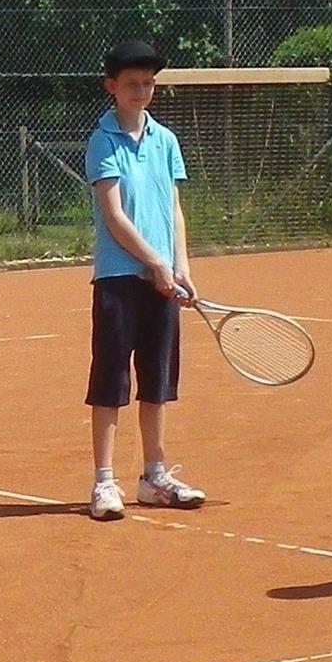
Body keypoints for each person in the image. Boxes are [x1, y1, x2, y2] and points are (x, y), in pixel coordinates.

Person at [82, 38, 203, 522]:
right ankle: (104, 482)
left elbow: (173, 209)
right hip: (119, 279)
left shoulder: (166, 141)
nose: (141, 91)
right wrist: (155, 263)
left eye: (148, 83)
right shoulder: (102, 141)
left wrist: (181, 266)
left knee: (157, 380)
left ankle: (155, 477)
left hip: (163, 280)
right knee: (111, 381)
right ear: (111, 87)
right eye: (132, 83)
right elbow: (114, 216)